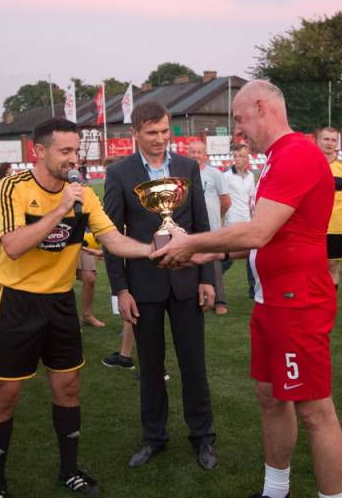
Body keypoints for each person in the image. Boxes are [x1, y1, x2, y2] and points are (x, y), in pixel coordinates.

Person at [151, 81, 342, 498]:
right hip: (270, 300)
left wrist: (191, 243)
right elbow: (272, 237)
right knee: (270, 397)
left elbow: (259, 231)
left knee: (315, 411)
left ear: (261, 108)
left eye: (240, 119)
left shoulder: (296, 154)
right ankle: (275, 491)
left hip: (298, 303)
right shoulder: (276, 158)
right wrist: (212, 254)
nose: (238, 131)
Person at [0, 117, 154, 497]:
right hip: (17, 300)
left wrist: (152, 251)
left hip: (60, 302)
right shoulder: (13, 186)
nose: (73, 158)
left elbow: (112, 239)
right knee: (6, 395)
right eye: (65, 151)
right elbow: (13, 246)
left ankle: (69, 471)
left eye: (76, 150)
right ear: (39, 151)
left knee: (69, 388)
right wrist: (60, 210)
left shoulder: (84, 195)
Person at [102, 101, 218, 471]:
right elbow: (110, 236)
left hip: (186, 282)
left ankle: (203, 437)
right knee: (150, 368)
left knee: (194, 365)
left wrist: (207, 278)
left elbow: (201, 226)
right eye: (152, 132)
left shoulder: (186, 167)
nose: (160, 138)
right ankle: (154, 438)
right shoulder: (119, 173)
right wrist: (120, 290)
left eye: (165, 131)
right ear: (134, 132)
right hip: (143, 285)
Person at [187, 139, 231, 315]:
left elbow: (226, 201)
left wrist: (214, 218)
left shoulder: (214, 174)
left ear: (205, 155)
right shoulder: (183, 174)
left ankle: (220, 301)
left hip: (211, 227)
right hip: (190, 228)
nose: (196, 155)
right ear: (187, 154)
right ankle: (196, 298)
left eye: (199, 152)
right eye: (192, 152)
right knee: (192, 262)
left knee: (214, 263)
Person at [317, 127, 342, 289]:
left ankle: (330, 300)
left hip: (336, 227)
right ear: (318, 140)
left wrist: (336, 213)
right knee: (312, 267)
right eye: (326, 139)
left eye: (333, 140)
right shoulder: (308, 165)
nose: (329, 143)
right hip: (312, 227)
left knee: (332, 266)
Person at [222, 141, 256, 298]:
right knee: (227, 259)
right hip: (232, 224)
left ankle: (253, 290)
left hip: (247, 223)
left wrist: (254, 220)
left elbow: (250, 200)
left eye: (241, 156)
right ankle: (211, 283)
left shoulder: (251, 177)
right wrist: (222, 222)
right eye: (235, 156)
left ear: (247, 158)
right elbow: (222, 200)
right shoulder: (226, 177)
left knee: (251, 258)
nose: (237, 159)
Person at [77, 232, 105, 327]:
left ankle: (87, 315)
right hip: (59, 241)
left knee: (90, 278)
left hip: (82, 243)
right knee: (63, 280)